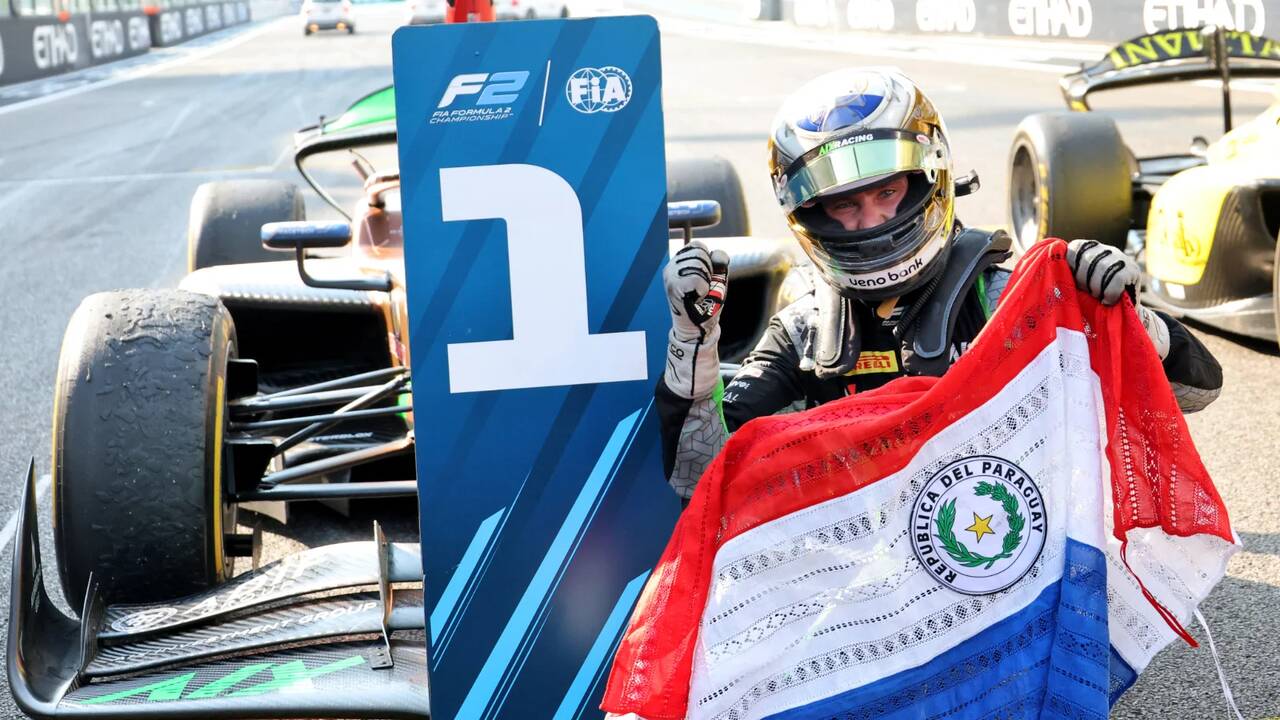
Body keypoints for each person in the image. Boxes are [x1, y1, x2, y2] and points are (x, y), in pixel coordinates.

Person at [657, 67, 1223, 501]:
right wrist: (693, 347)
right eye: (845, 205)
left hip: (1014, 543)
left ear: (932, 175)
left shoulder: (1011, 298)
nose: (872, 221)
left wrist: (1131, 318)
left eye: (887, 192)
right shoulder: (805, 329)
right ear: (808, 212)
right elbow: (699, 478)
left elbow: (1197, 392)